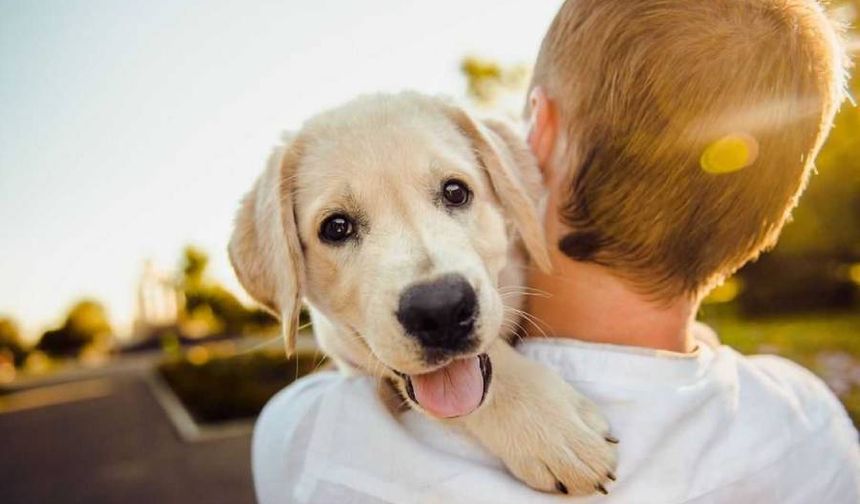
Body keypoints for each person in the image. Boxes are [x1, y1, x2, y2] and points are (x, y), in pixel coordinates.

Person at [252, 1, 860, 502]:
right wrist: (500, 392)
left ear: (532, 140)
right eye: (339, 229)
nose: (432, 285)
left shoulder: (311, 441)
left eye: (454, 193)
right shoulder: (810, 425)